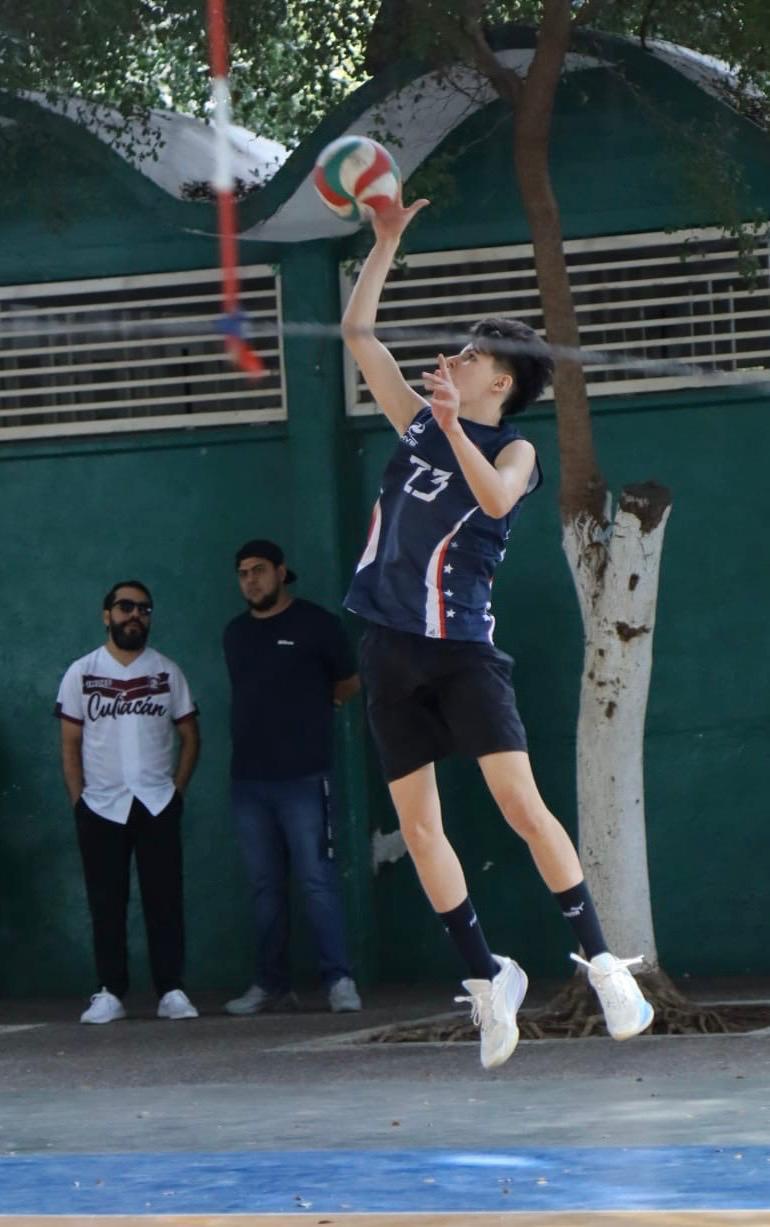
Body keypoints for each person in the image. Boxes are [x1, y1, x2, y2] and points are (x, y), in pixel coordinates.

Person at [341, 194, 654, 1069]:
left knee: (520, 805)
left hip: (464, 652)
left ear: (502, 381)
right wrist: (387, 242)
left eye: (472, 353)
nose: (455, 356)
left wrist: (451, 427)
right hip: (388, 647)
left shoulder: (515, 447)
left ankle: (601, 960)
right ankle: (488, 978)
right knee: (421, 824)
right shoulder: (415, 421)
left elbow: (495, 498)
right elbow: (361, 336)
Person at [222, 539, 363, 1015]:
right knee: (264, 886)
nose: (251, 580)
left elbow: (348, 681)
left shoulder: (317, 625)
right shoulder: (235, 634)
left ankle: (340, 981)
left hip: (306, 776)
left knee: (317, 880)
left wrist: (324, 708)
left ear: (282, 572)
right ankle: (270, 984)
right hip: (248, 781)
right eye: (243, 573)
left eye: (259, 570)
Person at [55, 580, 200, 1024]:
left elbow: (190, 736)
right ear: (107, 615)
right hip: (100, 806)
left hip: (157, 802)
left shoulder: (168, 671)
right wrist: (79, 801)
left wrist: (177, 791)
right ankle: (109, 992)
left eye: (144, 609)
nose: (135, 615)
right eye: (125, 607)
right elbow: (70, 743)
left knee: (165, 900)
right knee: (106, 902)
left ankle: (171, 990)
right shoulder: (81, 672)